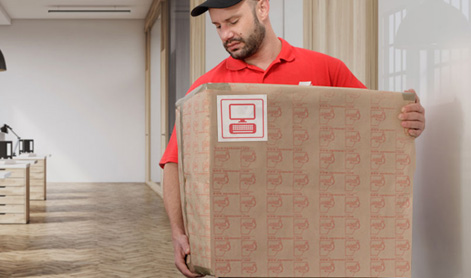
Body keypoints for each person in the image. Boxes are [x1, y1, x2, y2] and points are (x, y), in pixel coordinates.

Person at [160, 0, 426, 277]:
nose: (225, 34)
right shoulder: (207, 90)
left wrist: (409, 120)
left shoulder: (326, 69)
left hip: (317, 246)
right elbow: (175, 163)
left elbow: (373, 126)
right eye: (217, 26)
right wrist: (179, 234)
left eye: (234, 21)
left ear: (262, 8)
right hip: (241, 250)